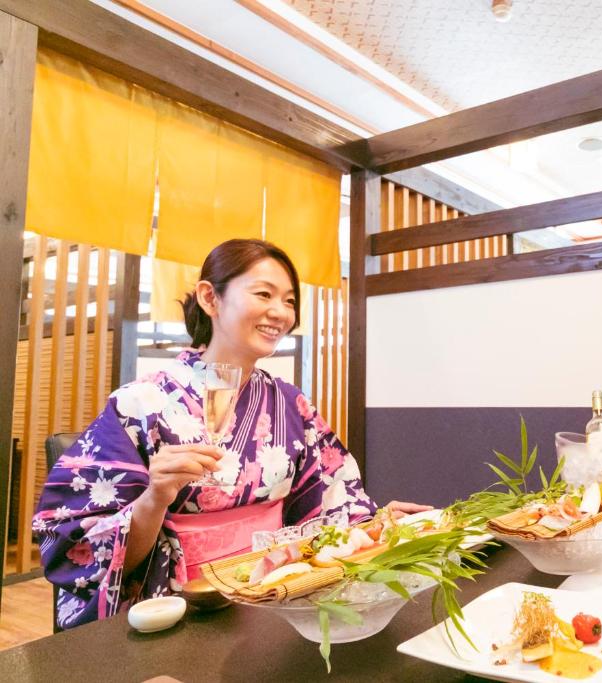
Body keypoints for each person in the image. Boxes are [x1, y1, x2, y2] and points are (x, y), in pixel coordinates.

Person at [34, 239, 429, 629]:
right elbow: (74, 542)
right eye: (264, 294)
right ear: (210, 297)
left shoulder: (292, 405)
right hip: (180, 603)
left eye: (289, 301)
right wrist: (154, 500)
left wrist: (376, 524)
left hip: (277, 598)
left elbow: (333, 501)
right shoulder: (141, 402)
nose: (281, 313)